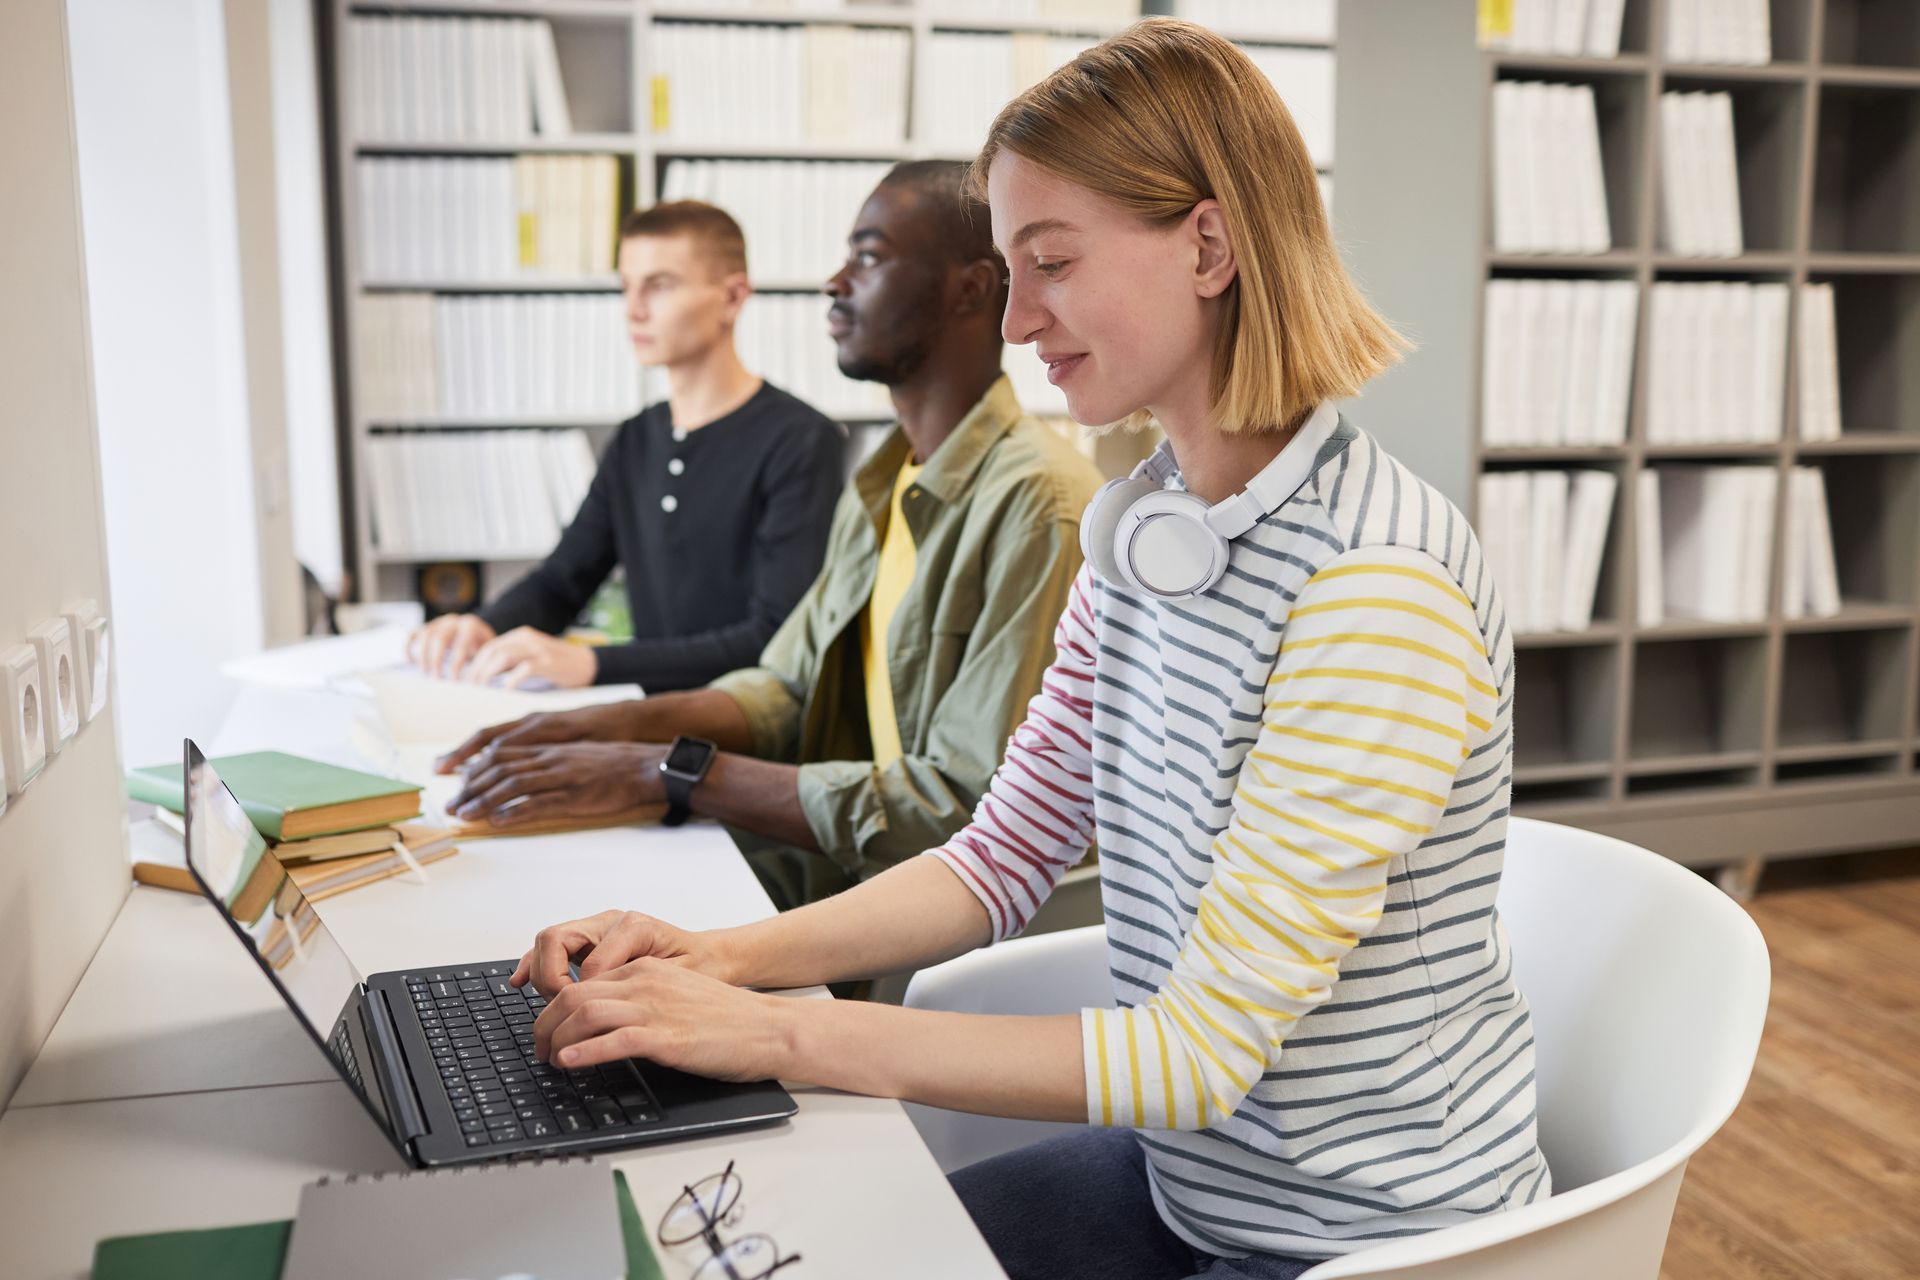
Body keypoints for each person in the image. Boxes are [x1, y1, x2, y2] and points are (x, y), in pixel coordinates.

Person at [484, 19, 1552, 1278]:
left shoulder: (1375, 590)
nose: (1018, 315)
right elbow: (998, 855)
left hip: (1369, 1240)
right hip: (1189, 1186)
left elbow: (1197, 1052)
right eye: (1007, 265)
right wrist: (708, 955)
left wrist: (770, 1032)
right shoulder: (1147, 531)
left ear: (1209, 245)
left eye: (1050, 261)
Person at [436, 162, 1107, 910]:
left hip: (928, 913)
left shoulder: (1041, 507)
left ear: (972, 288)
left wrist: (660, 769)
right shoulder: (884, 482)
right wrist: (604, 727)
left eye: (870, 256)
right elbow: (786, 687)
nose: (835, 281)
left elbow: (959, 806)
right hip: (849, 865)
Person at [407, 200, 843, 693]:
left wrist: (595, 665)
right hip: (652, 720)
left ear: (732, 297)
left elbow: (775, 637)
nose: (633, 309)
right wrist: (482, 626)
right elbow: (562, 580)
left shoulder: (801, 440)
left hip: (752, 733)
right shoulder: (637, 437)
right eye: (626, 286)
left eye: (659, 285)